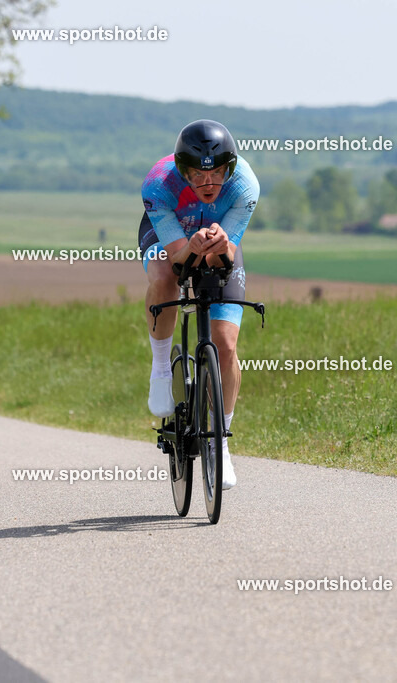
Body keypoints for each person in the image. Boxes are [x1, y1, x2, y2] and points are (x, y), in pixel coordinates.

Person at [139, 119, 259, 489]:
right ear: (183, 171)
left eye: (217, 173)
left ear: (229, 169)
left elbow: (226, 258)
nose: (209, 183)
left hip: (219, 241)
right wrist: (191, 247)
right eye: (198, 175)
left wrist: (221, 245)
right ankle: (161, 368)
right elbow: (179, 261)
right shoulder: (159, 185)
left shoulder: (245, 186)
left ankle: (220, 442)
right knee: (164, 276)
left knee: (226, 345)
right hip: (172, 238)